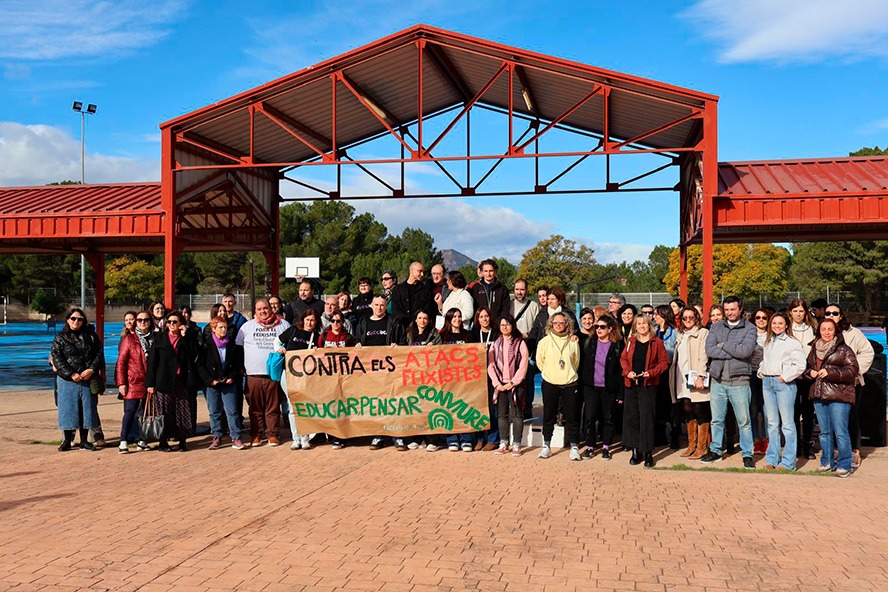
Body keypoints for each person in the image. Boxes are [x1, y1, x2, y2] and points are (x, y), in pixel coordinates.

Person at [702, 296, 757, 469]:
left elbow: (746, 351)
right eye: (726, 310)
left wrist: (723, 344)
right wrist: (735, 349)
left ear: (740, 308)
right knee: (716, 420)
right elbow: (709, 350)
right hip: (718, 380)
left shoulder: (750, 328)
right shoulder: (716, 326)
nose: (729, 313)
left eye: (733, 309)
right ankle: (716, 450)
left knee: (744, 421)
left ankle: (747, 453)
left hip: (739, 381)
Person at [806, 318, 858, 478]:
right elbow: (807, 369)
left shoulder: (844, 349)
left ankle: (844, 464)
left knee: (840, 432)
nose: (826, 332)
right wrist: (810, 373)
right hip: (820, 395)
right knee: (824, 432)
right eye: (823, 329)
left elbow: (853, 369)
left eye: (830, 329)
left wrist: (831, 373)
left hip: (839, 395)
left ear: (835, 331)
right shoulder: (814, 348)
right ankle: (826, 462)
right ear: (819, 331)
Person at [824, 303, 874, 470]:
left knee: (851, 416)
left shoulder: (853, 333)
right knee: (831, 417)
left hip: (850, 382)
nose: (831, 315)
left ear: (841, 316)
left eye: (835, 313)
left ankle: (854, 450)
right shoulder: (823, 333)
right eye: (828, 313)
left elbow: (868, 352)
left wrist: (853, 370)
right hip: (829, 383)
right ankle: (837, 450)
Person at [236, 299, 291, 447]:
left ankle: (273, 434)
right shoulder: (246, 327)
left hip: (274, 375)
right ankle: (257, 434)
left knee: (273, 407)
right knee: (255, 408)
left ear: (271, 309)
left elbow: (291, 345)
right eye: (259, 309)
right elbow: (238, 348)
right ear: (255, 311)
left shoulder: (283, 325)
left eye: (265, 308)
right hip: (253, 375)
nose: (263, 311)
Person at [355, 296, 406, 450]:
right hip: (370, 372)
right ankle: (378, 436)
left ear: (386, 307)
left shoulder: (394, 322)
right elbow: (357, 341)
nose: (379, 308)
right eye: (376, 305)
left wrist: (398, 346)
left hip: (390, 371)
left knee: (394, 403)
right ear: (371, 305)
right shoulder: (363, 323)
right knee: (376, 405)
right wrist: (357, 344)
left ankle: (398, 437)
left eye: (382, 305)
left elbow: (403, 342)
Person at [757, 312, 807, 471]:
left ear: (786, 325)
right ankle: (772, 458)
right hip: (767, 383)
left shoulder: (792, 343)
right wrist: (761, 370)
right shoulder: (768, 341)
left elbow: (800, 365)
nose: (776, 326)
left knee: (787, 424)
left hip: (783, 384)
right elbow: (765, 361)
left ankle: (788, 462)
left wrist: (785, 377)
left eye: (780, 323)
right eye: (774, 323)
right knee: (771, 423)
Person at [620, 314, 670, 468]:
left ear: (650, 325)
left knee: (647, 418)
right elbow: (623, 359)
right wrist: (627, 372)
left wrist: (652, 372)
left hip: (648, 385)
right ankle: (635, 451)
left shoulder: (657, 342)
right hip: (632, 384)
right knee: (632, 418)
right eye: (638, 324)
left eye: (644, 323)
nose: (641, 326)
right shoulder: (630, 342)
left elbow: (664, 362)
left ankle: (647, 451)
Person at [145, 312, 199, 452]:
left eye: (175, 322)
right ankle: (163, 442)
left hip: (182, 380)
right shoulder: (160, 339)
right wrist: (150, 384)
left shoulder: (187, 338)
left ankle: (182, 441)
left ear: (181, 323)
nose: (171, 325)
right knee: (164, 411)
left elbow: (194, 353)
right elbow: (152, 362)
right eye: (169, 322)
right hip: (164, 380)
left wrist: (185, 336)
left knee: (182, 411)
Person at [51, 308, 104, 451]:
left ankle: (84, 441)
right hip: (67, 380)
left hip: (86, 377)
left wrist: (91, 369)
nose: (76, 321)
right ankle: (67, 440)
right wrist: (71, 373)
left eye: (80, 319)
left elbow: (99, 354)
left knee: (86, 410)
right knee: (68, 410)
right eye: (73, 318)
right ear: (68, 320)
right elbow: (57, 357)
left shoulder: (91, 336)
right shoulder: (60, 337)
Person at [536, 312, 581, 461]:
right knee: (549, 415)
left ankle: (574, 446)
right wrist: (551, 373)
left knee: (572, 416)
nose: (558, 325)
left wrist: (566, 372)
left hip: (569, 382)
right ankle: (546, 445)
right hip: (550, 382)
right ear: (551, 324)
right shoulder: (544, 342)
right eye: (555, 323)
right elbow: (540, 362)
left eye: (562, 322)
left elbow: (576, 362)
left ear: (567, 324)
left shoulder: (573, 341)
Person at [579, 313, 623, 460]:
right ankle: (590, 446)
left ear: (610, 329)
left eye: (602, 327)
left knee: (608, 418)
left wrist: (619, 392)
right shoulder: (590, 343)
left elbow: (620, 371)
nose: (598, 329)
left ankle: (606, 447)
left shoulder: (616, 346)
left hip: (608, 388)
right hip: (591, 387)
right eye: (597, 326)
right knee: (589, 417)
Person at [198, 316, 246, 450]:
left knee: (232, 411)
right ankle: (217, 437)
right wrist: (209, 380)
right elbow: (201, 365)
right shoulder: (206, 345)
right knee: (214, 411)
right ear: (213, 329)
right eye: (220, 327)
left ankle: (236, 437)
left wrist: (233, 377)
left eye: (225, 327)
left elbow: (238, 364)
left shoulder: (232, 345)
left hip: (228, 382)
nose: (223, 330)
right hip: (213, 384)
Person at [670, 307, 711, 460]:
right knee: (687, 410)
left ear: (697, 318)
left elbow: (703, 355)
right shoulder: (680, 334)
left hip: (695, 377)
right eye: (684, 318)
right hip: (681, 377)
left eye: (691, 317)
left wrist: (700, 375)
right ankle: (691, 445)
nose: (687, 320)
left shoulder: (703, 333)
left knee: (700, 410)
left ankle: (702, 447)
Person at [276, 309, 321, 450]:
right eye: (307, 320)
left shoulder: (316, 336)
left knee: (305, 406)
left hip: (306, 376)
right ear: (303, 319)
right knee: (292, 406)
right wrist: (279, 349)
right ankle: (296, 438)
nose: (309, 323)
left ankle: (305, 437)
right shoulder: (293, 330)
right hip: (288, 373)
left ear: (316, 322)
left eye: (312, 320)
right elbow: (276, 341)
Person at [489, 315, 529, 456]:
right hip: (500, 385)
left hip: (516, 385)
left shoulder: (520, 343)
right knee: (502, 415)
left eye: (507, 324)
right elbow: (491, 365)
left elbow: (523, 366)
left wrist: (513, 383)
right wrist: (497, 383)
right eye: (502, 325)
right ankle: (504, 442)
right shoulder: (495, 344)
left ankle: (517, 444)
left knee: (517, 414)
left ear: (513, 326)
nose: (505, 327)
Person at [115, 311, 153, 453]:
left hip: (149, 381)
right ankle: (123, 440)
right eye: (140, 320)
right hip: (133, 381)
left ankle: (142, 440)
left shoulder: (154, 338)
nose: (143, 322)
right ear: (136, 322)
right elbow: (121, 363)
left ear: (150, 322)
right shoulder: (129, 340)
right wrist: (121, 383)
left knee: (146, 412)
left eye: (146, 320)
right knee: (130, 411)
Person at [438, 308, 475, 451]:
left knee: (464, 408)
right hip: (448, 378)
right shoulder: (442, 336)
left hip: (465, 378)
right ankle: (452, 439)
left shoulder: (468, 335)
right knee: (449, 408)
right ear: (449, 318)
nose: (457, 319)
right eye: (454, 317)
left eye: (459, 316)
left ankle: (466, 439)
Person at [788, 298, 817, 460]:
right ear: (790, 312)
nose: (798, 314)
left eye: (801, 311)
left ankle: (808, 443)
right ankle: (795, 444)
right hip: (791, 376)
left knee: (807, 412)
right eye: (795, 311)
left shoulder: (812, 328)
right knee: (793, 412)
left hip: (807, 376)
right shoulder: (787, 329)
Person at [472, 307, 499, 451]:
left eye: (486, 316)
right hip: (477, 376)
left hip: (493, 375)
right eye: (481, 316)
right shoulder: (473, 334)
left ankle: (493, 439)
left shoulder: (496, 333)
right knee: (478, 407)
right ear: (477, 319)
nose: (484, 319)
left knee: (492, 407)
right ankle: (479, 438)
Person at [749, 308, 771, 455]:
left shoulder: (772, 335)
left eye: (764, 317)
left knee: (767, 411)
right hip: (751, 374)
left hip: (767, 375)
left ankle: (767, 439)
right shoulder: (749, 335)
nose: (761, 320)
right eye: (758, 317)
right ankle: (756, 439)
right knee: (753, 409)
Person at [391, 261, 435, 331]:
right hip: (401, 329)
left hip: (420, 330)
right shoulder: (397, 290)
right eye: (420, 271)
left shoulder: (426, 291)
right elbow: (396, 310)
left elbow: (427, 310)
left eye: (423, 272)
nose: (422, 274)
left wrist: (415, 324)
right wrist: (406, 323)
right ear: (411, 271)